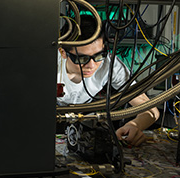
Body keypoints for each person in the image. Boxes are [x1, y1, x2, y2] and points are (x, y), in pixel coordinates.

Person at [57, 16, 159, 146]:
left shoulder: (110, 65)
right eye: (82, 59)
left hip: (85, 119)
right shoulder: (49, 64)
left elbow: (151, 110)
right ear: (63, 52)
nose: (92, 66)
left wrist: (134, 125)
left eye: (99, 56)